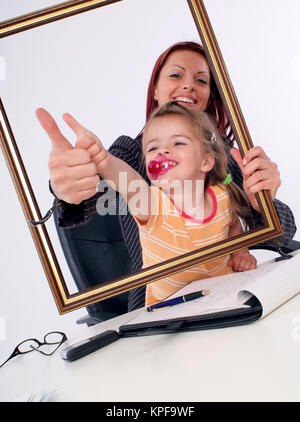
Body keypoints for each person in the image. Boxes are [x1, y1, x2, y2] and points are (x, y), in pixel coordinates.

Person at [36, 41, 296, 310]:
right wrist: (70, 187)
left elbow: (280, 234)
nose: (189, 85)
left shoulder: (227, 160)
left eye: (201, 80)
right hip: (163, 308)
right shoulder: (133, 153)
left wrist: (262, 202)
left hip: (227, 294)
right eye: (176, 75)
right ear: (156, 91)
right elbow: (112, 187)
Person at [73, 101, 257, 305]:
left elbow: (232, 224)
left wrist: (241, 251)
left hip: (226, 297)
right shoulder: (153, 204)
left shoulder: (222, 194)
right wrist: (103, 160)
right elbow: (129, 181)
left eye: (178, 143)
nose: (163, 151)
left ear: (206, 161)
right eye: (153, 147)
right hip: (171, 315)